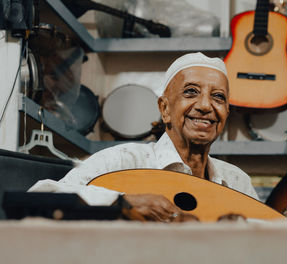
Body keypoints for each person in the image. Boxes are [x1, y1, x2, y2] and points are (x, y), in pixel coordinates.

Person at [29, 52, 259, 222]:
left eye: (218, 97)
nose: (205, 106)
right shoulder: (122, 161)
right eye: (191, 92)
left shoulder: (237, 181)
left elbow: (271, 233)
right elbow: (39, 197)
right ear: (165, 108)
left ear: (226, 113)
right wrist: (122, 203)